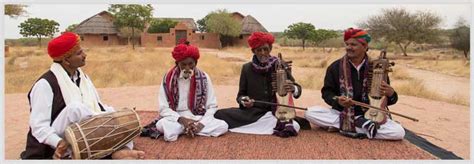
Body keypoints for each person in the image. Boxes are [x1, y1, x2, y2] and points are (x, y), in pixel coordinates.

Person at [20, 32, 145, 159]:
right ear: (66, 60)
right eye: (79, 53)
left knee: (121, 123)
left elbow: (98, 105)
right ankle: (111, 152)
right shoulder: (44, 84)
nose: (85, 55)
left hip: (81, 131)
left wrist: (115, 115)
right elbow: (39, 127)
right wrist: (58, 142)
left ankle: (119, 151)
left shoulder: (83, 77)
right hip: (55, 139)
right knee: (75, 109)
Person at [305, 28, 405, 140]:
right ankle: (365, 127)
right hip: (342, 113)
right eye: (347, 44)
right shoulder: (335, 67)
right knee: (310, 113)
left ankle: (350, 126)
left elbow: (388, 100)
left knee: (398, 132)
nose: (348, 47)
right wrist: (338, 100)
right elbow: (327, 93)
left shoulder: (378, 68)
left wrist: (391, 93)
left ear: (365, 46)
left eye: (353, 44)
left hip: (372, 115)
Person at [214, 32, 310, 138]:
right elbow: (240, 96)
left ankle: (262, 126)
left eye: (266, 49)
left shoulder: (280, 65)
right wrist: (244, 101)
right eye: (259, 50)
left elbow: (298, 89)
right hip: (254, 114)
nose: (263, 53)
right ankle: (266, 126)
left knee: (294, 125)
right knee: (219, 114)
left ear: (270, 49)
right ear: (253, 51)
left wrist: (293, 88)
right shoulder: (246, 68)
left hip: (277, 113)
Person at [152, 43, 228, 142]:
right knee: (161, 125)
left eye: (190, 64)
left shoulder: (204, 78)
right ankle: (190, 129)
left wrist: (201, 123)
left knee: (223, 126)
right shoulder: (168, 79)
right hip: (176, 118)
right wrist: (182, 120)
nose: (187, 68)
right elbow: (163, 108)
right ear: (177, 63)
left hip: (197, 117)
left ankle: (190, 129)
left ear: (195, 63)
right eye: (183, 64)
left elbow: (212, 106)